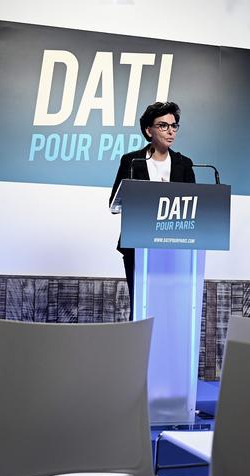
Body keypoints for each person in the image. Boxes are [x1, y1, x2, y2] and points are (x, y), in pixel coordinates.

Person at [109, 101, 196, 320]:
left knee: (171, 310)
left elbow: (194, 207)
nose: (170, 131)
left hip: (176, 249)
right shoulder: (131, 161)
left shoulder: (184, 164)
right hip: (138, 248)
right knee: (140, 308)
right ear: (149, 130)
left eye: (174, 126)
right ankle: (137, 353)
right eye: (163, 125)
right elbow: (115, 202)